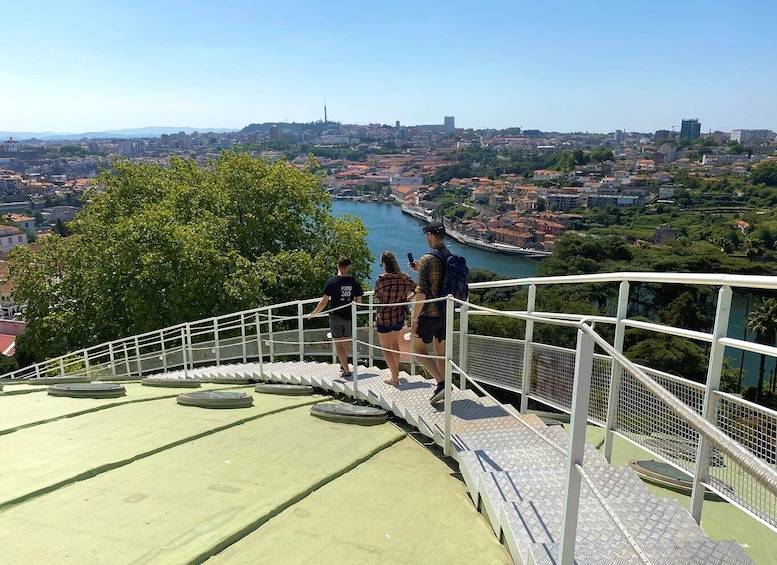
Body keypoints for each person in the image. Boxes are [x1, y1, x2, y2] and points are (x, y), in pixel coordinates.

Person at [408, 220, 450, 404]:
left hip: (429, 313)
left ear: (430, 235)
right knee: (440, 352)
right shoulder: (449, 255)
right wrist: (419, 271)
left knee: (419, 349)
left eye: (426, 235)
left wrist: (414, 319)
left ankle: (441, 383)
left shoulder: (427, 259)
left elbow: (422, 293)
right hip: (446, 312)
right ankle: (445, 387)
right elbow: (440, 281)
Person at [307, 256, 364, 378]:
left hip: (336, 317)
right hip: (349, 316)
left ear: (338, 266)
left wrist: (313, 314)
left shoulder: (331, 282)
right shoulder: (354, 282)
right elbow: (359, 301)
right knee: (345, 343)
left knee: (338, 344)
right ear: (348, 266)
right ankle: (344, 365)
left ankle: (346, 370)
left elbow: (323, 302)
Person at [374, 251, 416, 386]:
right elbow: (418, 289)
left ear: (385, 264)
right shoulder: (405, 277)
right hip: (399, 316)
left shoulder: (382, 279)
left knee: (386, 348)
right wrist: (406, 300)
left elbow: (377, 295)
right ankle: (395, 371)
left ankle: (394, 377)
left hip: (385, 317)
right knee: (394, 344)